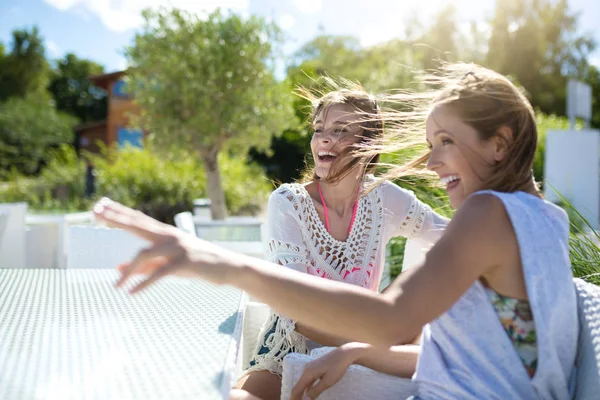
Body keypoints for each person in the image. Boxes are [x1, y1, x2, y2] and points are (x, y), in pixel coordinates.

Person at [94, 63, 578, 400]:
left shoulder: (485, 212)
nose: (430, 162)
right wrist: (355, 350)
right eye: (432, 144)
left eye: (446, 142)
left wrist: (222, 264)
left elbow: (393, 320)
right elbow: (470, 355)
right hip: (301, 352)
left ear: (500, 145)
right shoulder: (546, 221)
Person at [234, 83, 448, 400]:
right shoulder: (288, 202)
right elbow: (297, 312)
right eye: (319, 129)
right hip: (288, 352)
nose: (323, 138)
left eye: (340, 130)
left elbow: (452, 237)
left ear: (369, 143)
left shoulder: (384, 197)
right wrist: (375, 340)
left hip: (365, 356)